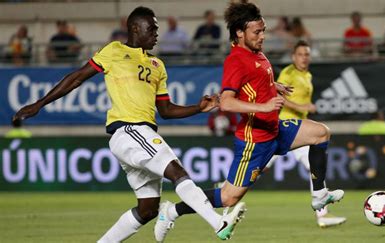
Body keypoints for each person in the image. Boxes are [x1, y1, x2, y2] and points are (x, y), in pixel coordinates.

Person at [12, 6, 246, 242]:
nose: (156, 33)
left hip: (139, 136)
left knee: (148, 209)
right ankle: (218, 222)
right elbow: (75, 78)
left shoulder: (157, 65)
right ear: (135, 28)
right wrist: (39, 104)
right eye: (152, 28)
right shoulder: (114, 51)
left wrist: (198, 107)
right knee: (177, 172)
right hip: (129, 130)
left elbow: (165, 110)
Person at [155, 2, 344, 241]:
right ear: (239, 33)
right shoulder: (235, 60)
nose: (263, 36)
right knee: (227, 198)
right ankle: (171, 211)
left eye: (263, 30)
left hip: (274, 130)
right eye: (258, 31)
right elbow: (226, 102)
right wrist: (264, 106)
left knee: (321, 133)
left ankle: (319, 195)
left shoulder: (256, 52)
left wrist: (274, 86)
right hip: (254, 141)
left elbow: (253, 80)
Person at [264, 40, 346, 228]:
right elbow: (277, 96)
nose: (304, 57)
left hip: (300, 131)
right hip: (284, 127)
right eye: (301, 54)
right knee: (259, 166)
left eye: (307, 54)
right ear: (294, 57)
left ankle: (322, 215)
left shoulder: (307, 75)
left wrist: (305, 110)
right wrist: (302, 107)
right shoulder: (288, 72)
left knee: (314, 168)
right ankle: (226, 187)